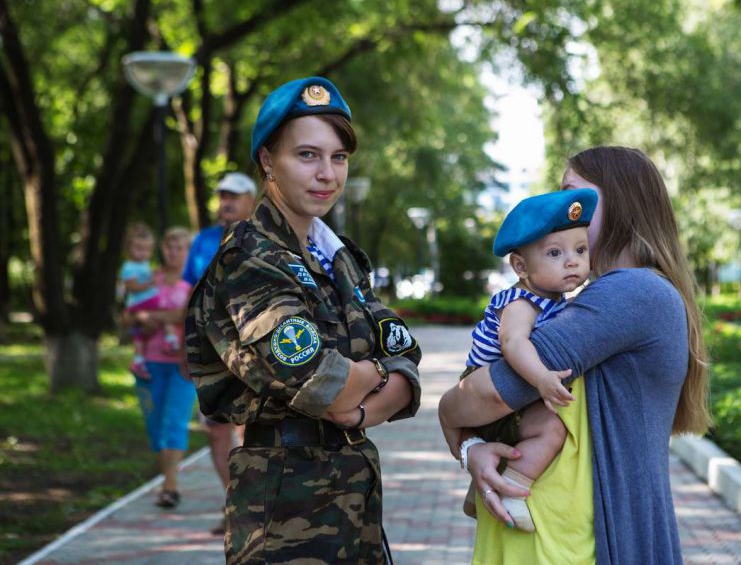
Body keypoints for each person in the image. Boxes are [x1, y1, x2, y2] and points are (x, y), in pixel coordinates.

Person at [185, 76, 422, 563]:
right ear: (268, 160)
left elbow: (406, 355)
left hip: (353, 496)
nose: (327, 174)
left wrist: (361, 408)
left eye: (339, 157)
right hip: (284, 507)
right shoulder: (250, 258)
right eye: (307, 155)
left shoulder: (339, 258)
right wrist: (376, 377)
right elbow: (324, 386)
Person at [439, 146, 711, 564]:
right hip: (554, 532)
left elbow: (490, 394)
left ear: (620, 201)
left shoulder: (630, 292)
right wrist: (471, 447)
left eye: (574, 196)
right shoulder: (623, 293)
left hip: (572, 542)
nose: (563, 210)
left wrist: (448, 414)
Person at [460, 189, 597, 532]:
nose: (572, 261)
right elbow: (513, 342)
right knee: (551, 429)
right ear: (520, 266)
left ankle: (480, 490)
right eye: (555, 253)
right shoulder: (522, 301)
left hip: (506, 388)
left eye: (580, 250)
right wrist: (541, 379)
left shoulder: (552, 298)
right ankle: (513, 489)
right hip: (488, 387)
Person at [183, 171, 256, 535]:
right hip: (209, 354)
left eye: (234, 196)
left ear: (252, 201)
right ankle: (234, 504)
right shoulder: (203, 240)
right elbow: (188, 295)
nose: (226, 202)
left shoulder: (261, 238)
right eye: (223, 196)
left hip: (252, 354)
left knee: (250, 430)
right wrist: (185, 350)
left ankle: (255, 506)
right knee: (215, 431)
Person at [125, 227, 196, 509]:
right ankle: (167, 476)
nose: (174, 253)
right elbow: (127, 317)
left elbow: (187, 314)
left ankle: (170, 486)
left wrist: (152, 315)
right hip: (148, 364)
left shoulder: (194, 282)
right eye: (169, 247)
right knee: (155, 426)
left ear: (189, 252)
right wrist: (141, 319)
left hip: (182, 365)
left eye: (180, 247)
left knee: (174, 422)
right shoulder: (148, 279)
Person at [120, 222, 179, 379]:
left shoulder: (145, 265)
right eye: (138, 248)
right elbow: (132, 288)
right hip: (142, 302)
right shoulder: (129, 267)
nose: (143, 253)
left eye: (146, 250)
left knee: (138, 333)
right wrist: (151, 283)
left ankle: (138, 361)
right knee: (164, 307)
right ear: (129, 248)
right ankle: (170, 338)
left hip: (179, 365)